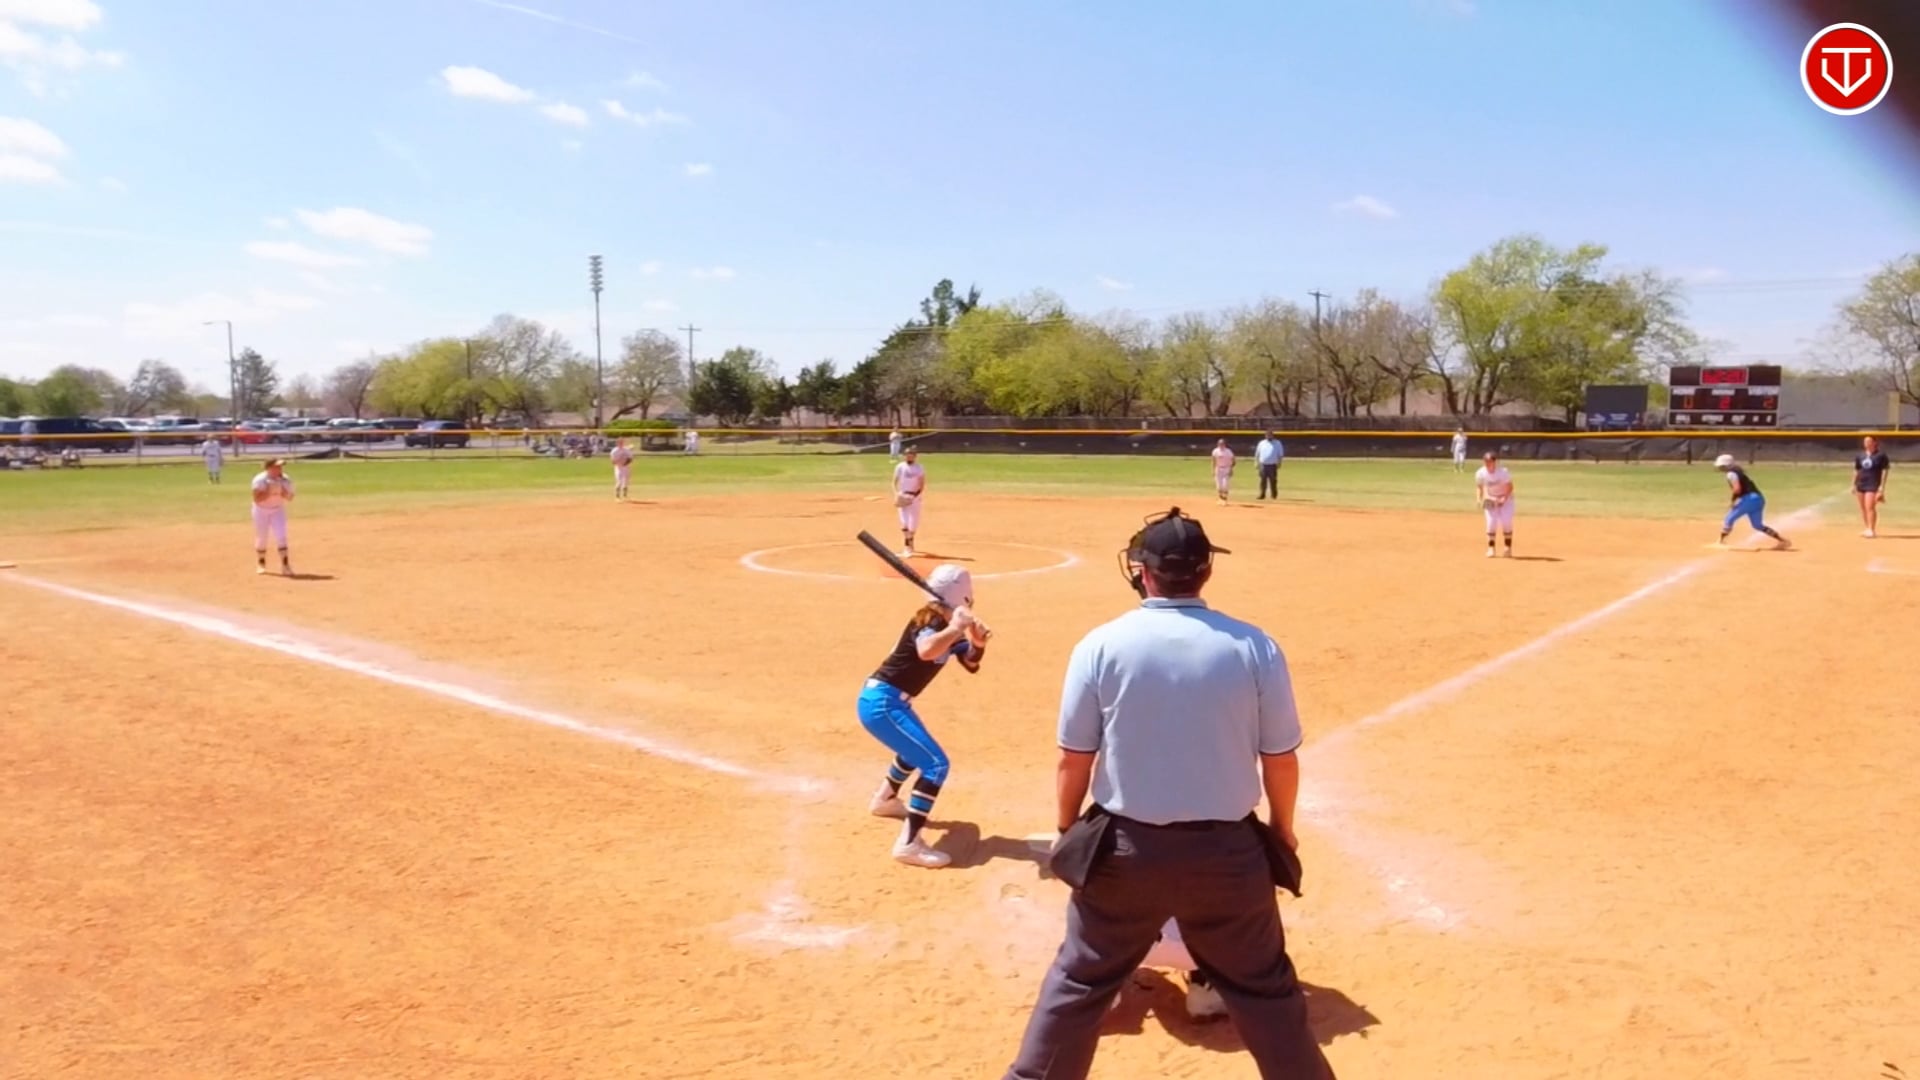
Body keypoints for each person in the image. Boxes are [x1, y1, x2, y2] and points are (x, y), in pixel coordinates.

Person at [1002, 506, 1334, 1080]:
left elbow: (1073, 758)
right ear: (1206, 571)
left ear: (1142, 572)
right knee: (1266, 993)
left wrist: (1065, 830)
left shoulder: (1100, 645)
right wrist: (1281, 830)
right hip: (1229, 855)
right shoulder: (1255, 646)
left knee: (1080, 982)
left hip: (1124, 852)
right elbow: (1280, 759)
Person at [856, 564, 990, 869]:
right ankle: (908, 844)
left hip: (892, 703)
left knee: (914, 751)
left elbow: (970, 664)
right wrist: (956, 627)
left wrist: (978, 643)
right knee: (936, 764)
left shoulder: (945, 623)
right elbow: (926, 651)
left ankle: (884, 800)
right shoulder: (929, 619)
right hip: (882, 704)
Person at [1714, 452, 1791, 550]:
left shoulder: (1731, 474)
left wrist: (1733, 500)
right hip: (1758, 499)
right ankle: (1782, 541)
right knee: (1757, 525)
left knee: (1729, 519)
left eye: (1721, 466)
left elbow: (1737, 489)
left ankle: (1720, 541)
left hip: (1749, 499)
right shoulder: (1739, 472)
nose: (1720, 468)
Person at [250, 458, 296, 576]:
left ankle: (285, 565)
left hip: (277, 510)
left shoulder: (285, 479)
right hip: (260, 510)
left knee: (281, 536)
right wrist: (269, 491)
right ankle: (261, 563)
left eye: (280, 467)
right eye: (276, 467)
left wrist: (282, 492)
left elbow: (290, 498)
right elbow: (256, 499)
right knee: (262, 537)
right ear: (269, 468)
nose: (280, 469)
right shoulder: (259, 480)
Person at [1474, 449, 1516, 558]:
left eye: (1489, 461)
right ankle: (1491, 549)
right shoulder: (1480, 473)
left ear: (1495, 462)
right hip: (1490, 498)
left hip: (1506, 498)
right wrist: (1479, 499)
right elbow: (1480, 487)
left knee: (1506, 522)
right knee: (1491, 523)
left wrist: (1503, 499)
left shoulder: (1503, 472)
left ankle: (1507, 548)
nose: (1487, 464)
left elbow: (1510, 487)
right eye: (1485, 461)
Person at [1853, 434, 1891, 538]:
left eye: (1869, 441)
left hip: (1873, 484)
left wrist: (1881, 487)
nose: (1866, 443)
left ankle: (1871, 529)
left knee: (1869, 507)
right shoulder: (1860, 456)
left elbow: (1885, 470)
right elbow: (1857, 470)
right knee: (1863, 508)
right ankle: (1867, 528)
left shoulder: (1881, 455)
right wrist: (1853, 484)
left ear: (1875, 443)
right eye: (1865, 441)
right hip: (1861, 483)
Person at [892, 445, 926, 558]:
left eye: (911, 455)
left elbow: (922, 484)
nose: (909, 457)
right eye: (907, 455)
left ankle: (910, 542)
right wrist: (897, 494)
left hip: (914, 497)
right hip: (903, 495)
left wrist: (915, 496)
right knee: (904, 522)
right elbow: (894, 482)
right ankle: (907, 547)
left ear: (915, 456)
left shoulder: (919, 468)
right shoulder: (900, 467)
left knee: (913, 523)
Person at [1254, 431, 1284, 500]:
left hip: (1272, 465)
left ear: (1272, 436)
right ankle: (1262, 494)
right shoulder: (1261, 443)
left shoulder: (1277, 443)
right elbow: (1257, 454)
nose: (1268, 436)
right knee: (1262, 480)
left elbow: (1280, 454)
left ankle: (1273, 495)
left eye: (1270, 435)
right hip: (1263, 465)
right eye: (1267, 435)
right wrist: (1256, 462)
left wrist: (1280, 462)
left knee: (1273, 480)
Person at [1210, 438, 1235, 506]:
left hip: (1226, 468)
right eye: (1219, 443)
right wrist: (1213, 470)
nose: (1221, 445)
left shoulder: (1228, 451)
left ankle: (1225, 499)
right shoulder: (1215, 451)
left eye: (1222, 443)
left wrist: (1231, 469)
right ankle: (1220, 499)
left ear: (1225, 444)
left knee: (1225, 485)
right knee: (1219, 486)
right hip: (1218, 469)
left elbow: (1233, 460)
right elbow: (1213, 461)